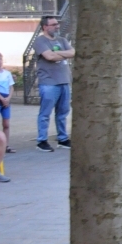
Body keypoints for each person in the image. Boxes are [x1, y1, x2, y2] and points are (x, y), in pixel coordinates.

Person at [33, 15, 73, 152]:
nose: (57, 26)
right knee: (45, 113)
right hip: (49, 82)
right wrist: (63, 54)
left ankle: (63, 139)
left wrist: (57, 53)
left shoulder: (62, 40)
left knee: (63, 112)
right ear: (45, 27)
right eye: (54, 24)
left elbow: (73, 52)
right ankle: (42, 141)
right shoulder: (40, 41)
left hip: (64, 81)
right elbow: (49, 56)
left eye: (57, 24)